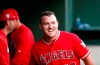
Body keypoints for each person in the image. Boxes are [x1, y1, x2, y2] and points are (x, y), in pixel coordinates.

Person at [30, 11, 95, 65]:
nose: (50, 26)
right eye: (46, 24)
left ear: (57, 24)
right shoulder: (36, 48)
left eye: (53, 23)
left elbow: (88, 60)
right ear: (41, 26)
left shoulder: (72, 38)